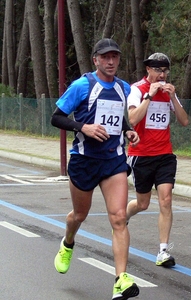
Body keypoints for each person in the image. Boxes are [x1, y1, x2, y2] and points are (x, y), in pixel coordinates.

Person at [51, 38, 140, 300]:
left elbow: (119, 120)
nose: (111, 62)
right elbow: (56, 117)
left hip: (113, 161)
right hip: (84, 160)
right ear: (96, 60)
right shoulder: (82, 86)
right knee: (79, 215)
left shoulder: (124, 88)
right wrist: (83, 127)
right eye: (106, 57)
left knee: (119, 217)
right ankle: (68, 243)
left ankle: (120, 281)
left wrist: (129, 131)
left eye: (115, 57)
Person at [126, 52, 189, 268]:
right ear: (148, 70)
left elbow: (184, 121)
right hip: (141, 155)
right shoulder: (137, 90)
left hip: (164, 154)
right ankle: (124, 215)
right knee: (142, 203)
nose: (162, 75)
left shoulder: (168, 92)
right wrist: (149, 96)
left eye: (165, 71)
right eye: (158, 70)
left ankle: (163, 251)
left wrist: (172, 97)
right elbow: (133, 119)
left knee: (166, 199)